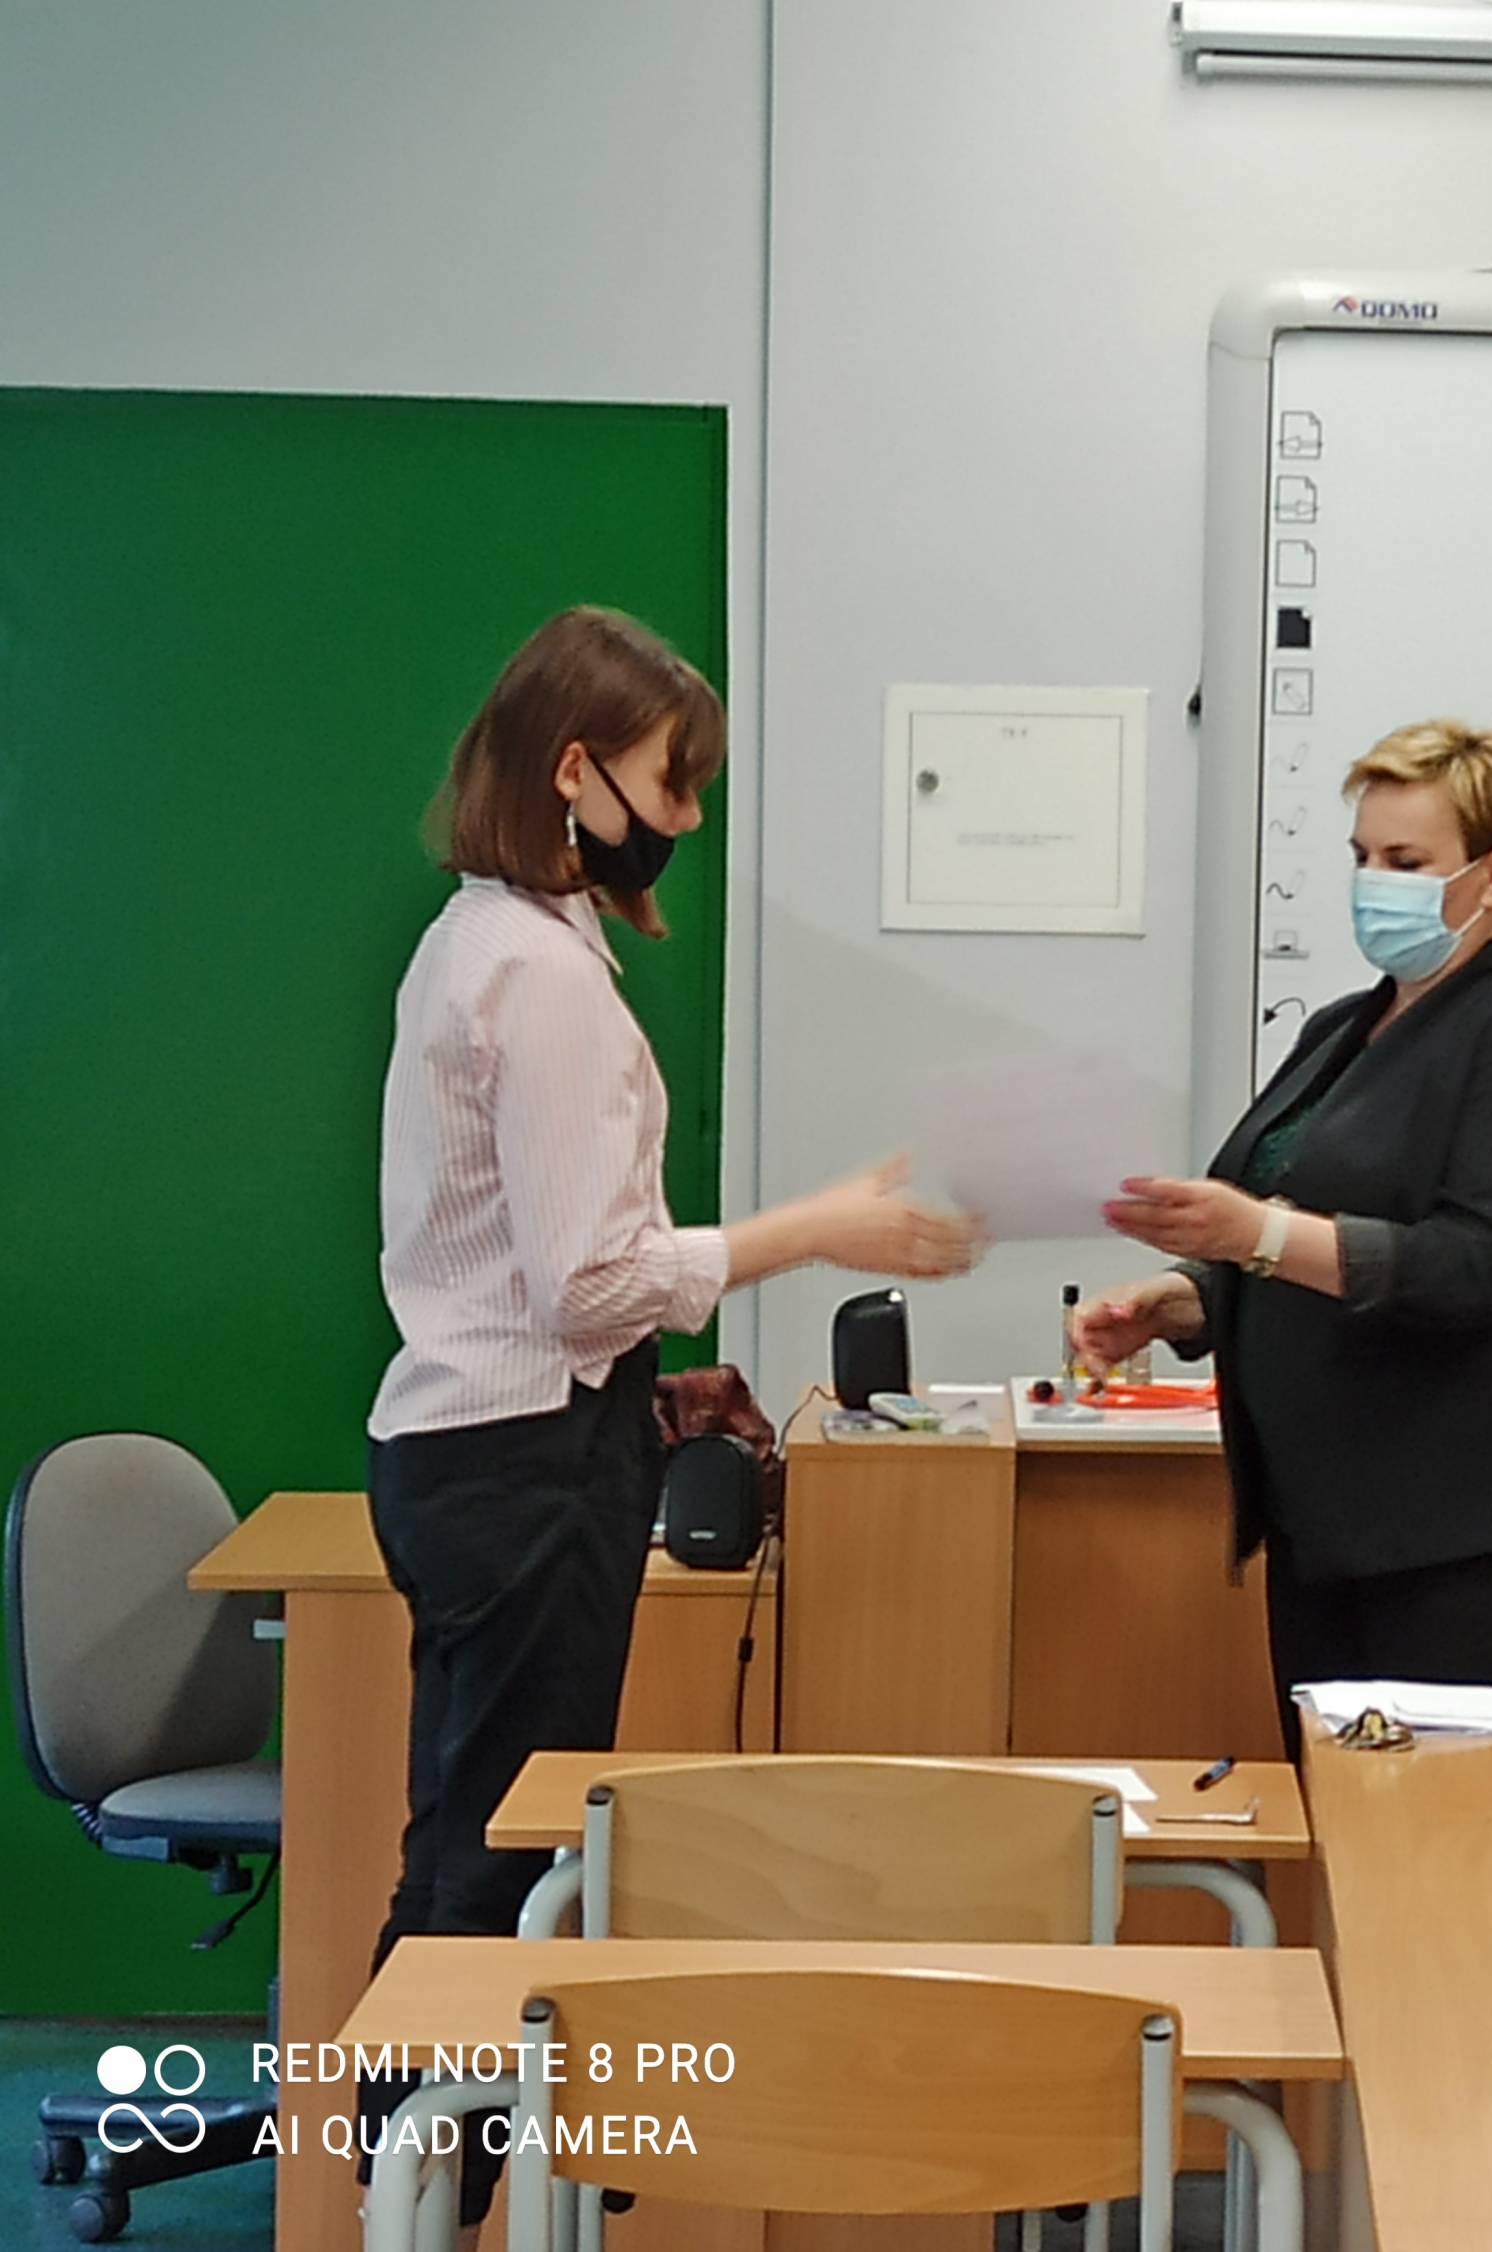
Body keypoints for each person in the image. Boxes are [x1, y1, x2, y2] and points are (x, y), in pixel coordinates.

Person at [360, 607, 978, 2203]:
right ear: (574, 772)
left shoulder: (482, 941)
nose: (688, 819)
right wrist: (812, 1229)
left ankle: (417, 2200)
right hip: (521, 1471)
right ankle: (424, 2202)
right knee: (494, 1870)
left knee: (469, 1850)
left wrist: (650, 1386)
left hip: (486, 1445)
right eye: (670, 781)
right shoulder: (541, 978)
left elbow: (534, 1280)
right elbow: (584, 1284)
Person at [1075, 719, 1492, 1756]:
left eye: (1407, 862)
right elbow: (1283, 1229)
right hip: (1330, 1521)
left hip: (1462, 1526)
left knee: (1439, 1825)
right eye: (1363, 857)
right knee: (1341, 1813)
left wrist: (1258, 1234)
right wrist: (1183, 1301)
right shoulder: (1341, 1029)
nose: (1376, 884)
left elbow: (1476, 1265)